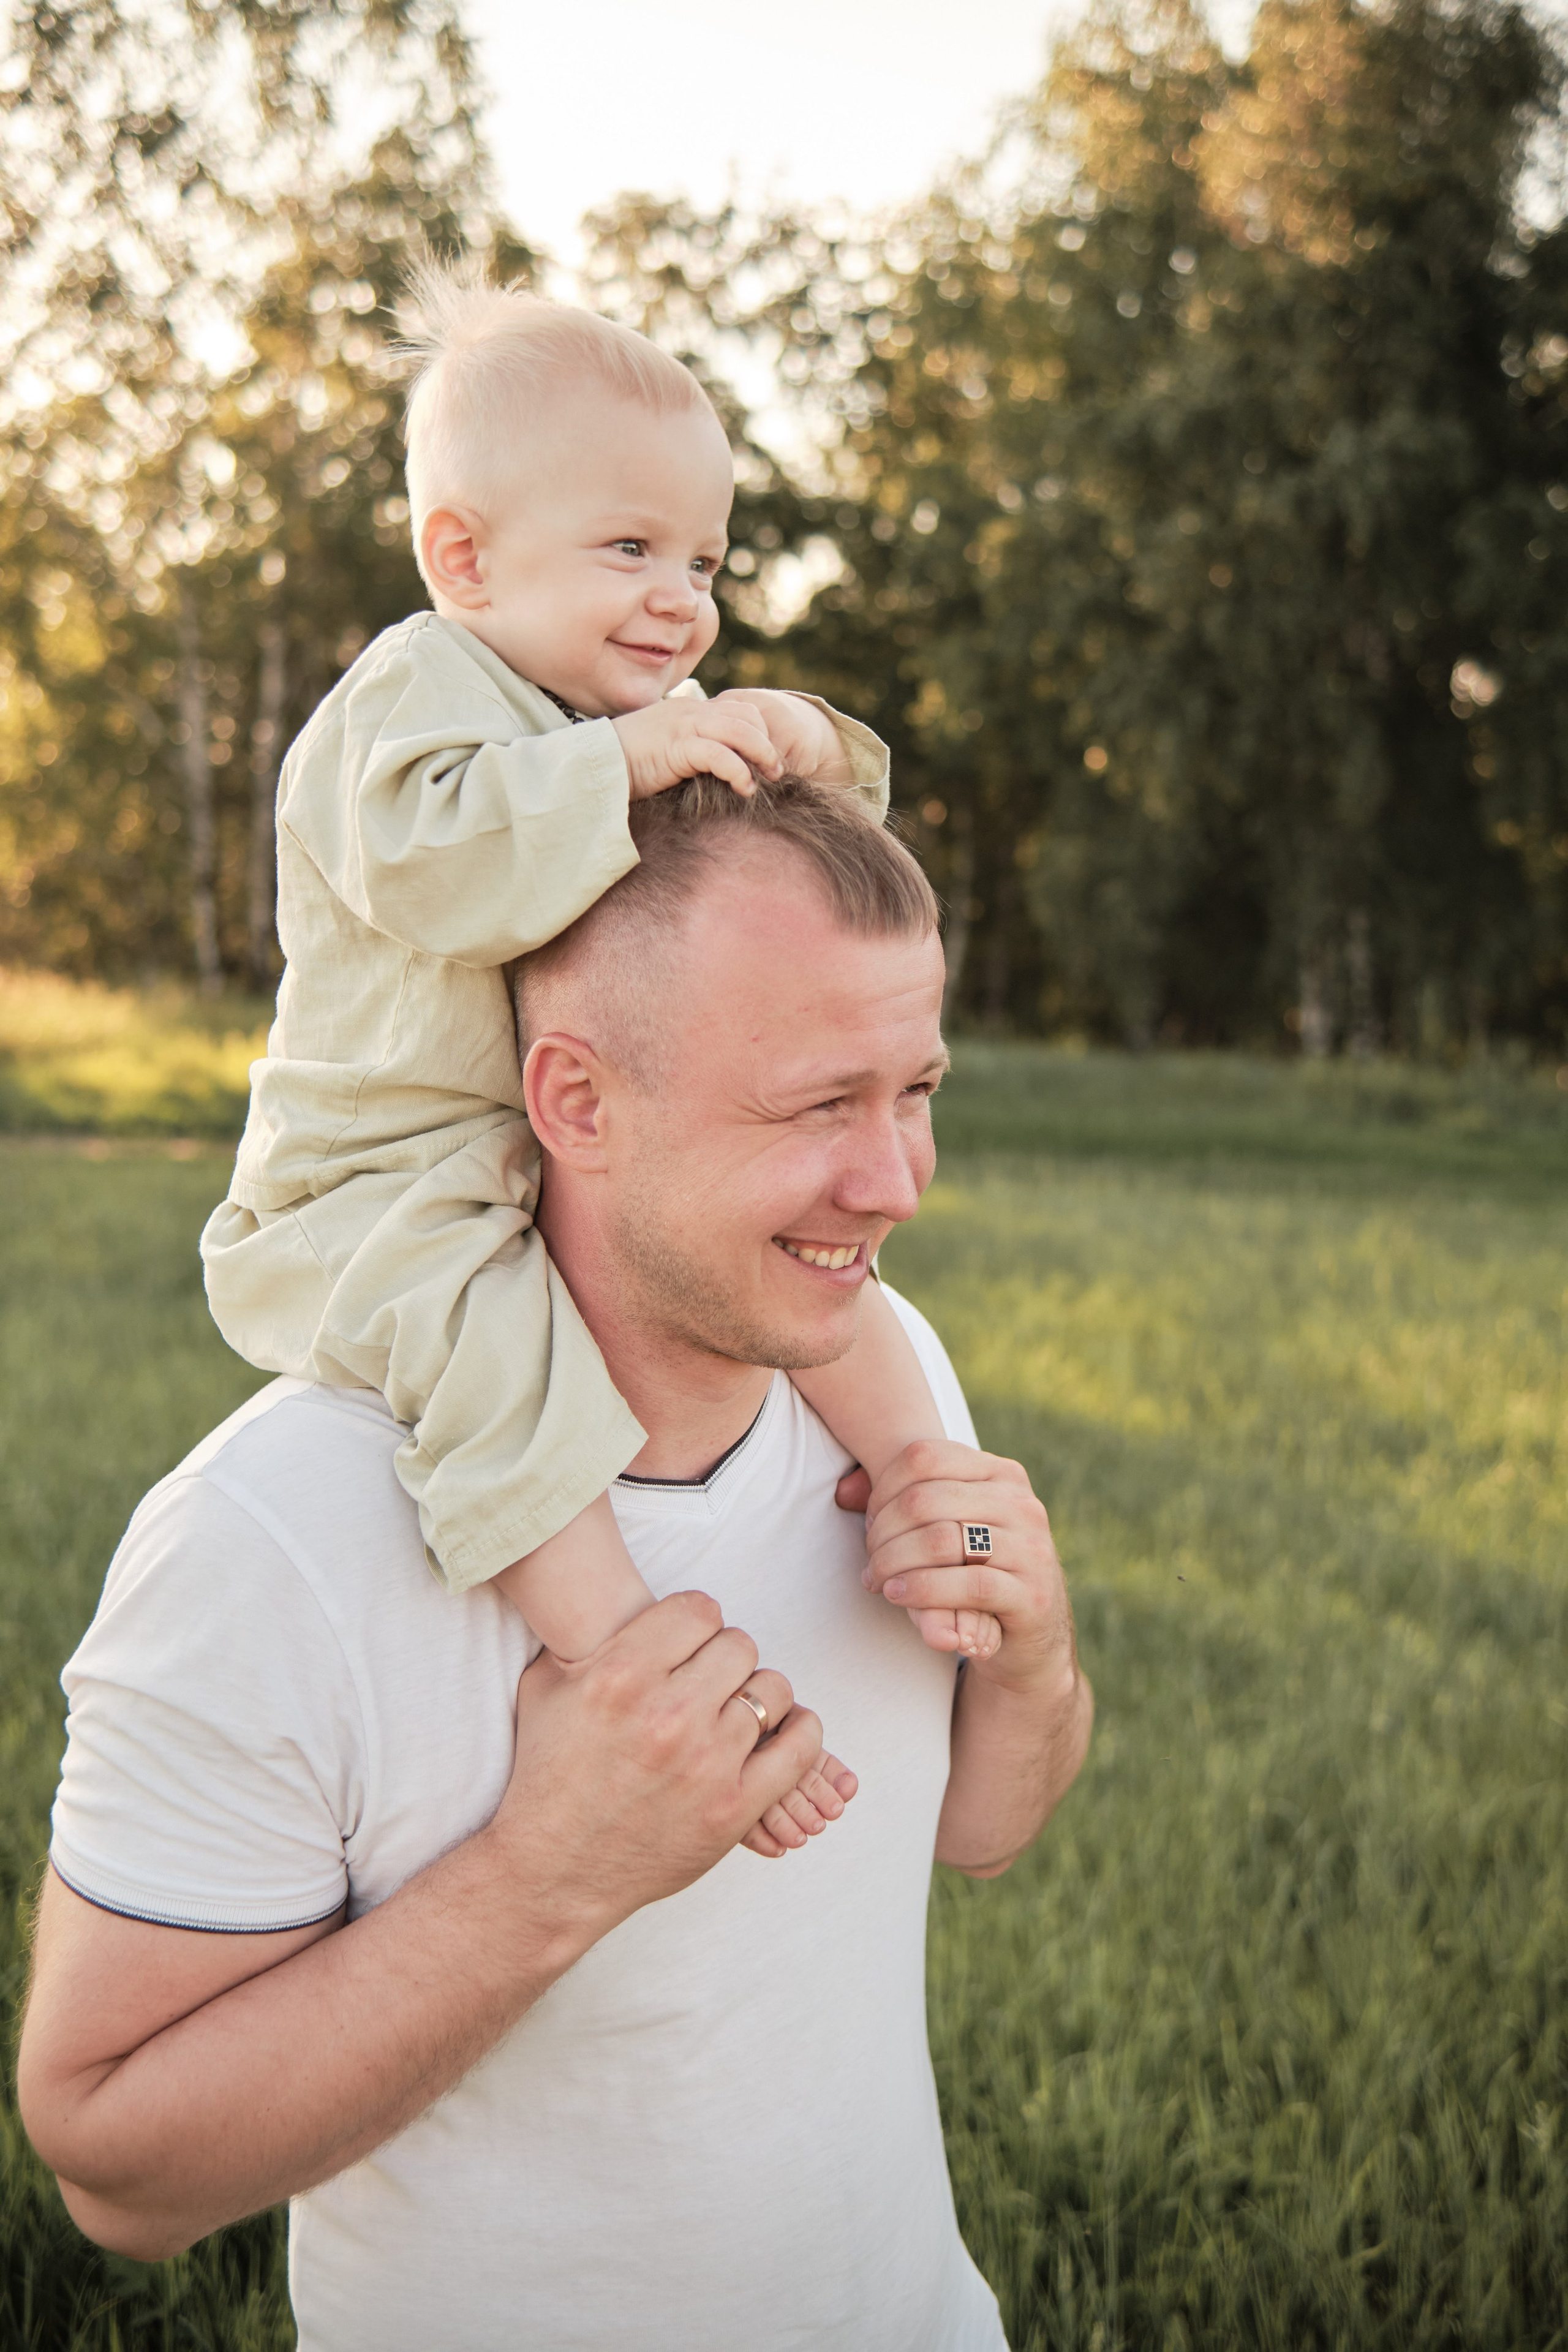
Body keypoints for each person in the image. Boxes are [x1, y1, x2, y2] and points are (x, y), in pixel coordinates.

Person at [20, 774, 1093, 2351]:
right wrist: (548, 1876)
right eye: (817, 1106)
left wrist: (1038, 1662)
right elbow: (115, 2167)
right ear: (576, 1102)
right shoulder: (277, 1533)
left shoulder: (877, 1371)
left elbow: (980, 1835)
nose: (895, 1182)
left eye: (913, 1090)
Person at [198, 265, 1000, 1817]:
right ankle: (634, 1666)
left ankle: (931, 1497)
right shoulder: (413, 693)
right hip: (384, 1181)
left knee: (847, 1292)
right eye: (627, 548)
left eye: (701, 559)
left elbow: (762, 884)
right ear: (464, 557)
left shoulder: (619, 708)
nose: (677, 598)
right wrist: (633, 754)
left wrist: (794, 739)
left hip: (564, 1158)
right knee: (487, 1345)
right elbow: (432, 859)